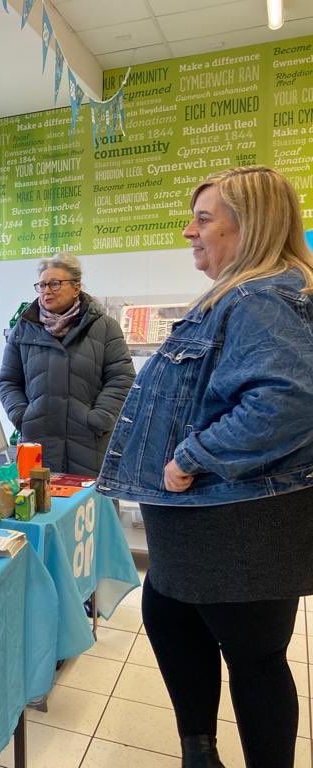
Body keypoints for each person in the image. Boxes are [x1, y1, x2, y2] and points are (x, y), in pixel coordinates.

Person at [97, 167, 313, 768]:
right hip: (212, 519)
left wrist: (193, 456)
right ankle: (200, 753)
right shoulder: (254, 292)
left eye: (204, 218)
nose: (189, 231)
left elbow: (286, 402)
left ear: (250, 225)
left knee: (254, 657)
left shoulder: (260, 296)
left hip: (233, 519)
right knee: (171, 616)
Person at [0, 253, 135, 475]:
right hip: (37, 445)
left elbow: (122, 378)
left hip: (90, 445)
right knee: (39, 506)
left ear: (76, 287)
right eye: (42, 285)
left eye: (55, 283)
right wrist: (23, 417)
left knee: (90, 508)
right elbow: (8, 380)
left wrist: (99, 419)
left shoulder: (105, 327)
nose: (46, 291)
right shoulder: (24, 329)